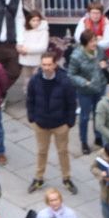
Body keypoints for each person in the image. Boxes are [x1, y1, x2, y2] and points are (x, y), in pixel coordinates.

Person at [26, 53, 77, 194]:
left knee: (63, 152)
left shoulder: (65, 81)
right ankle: (38, 178)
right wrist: (32, 118)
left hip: (60, 124)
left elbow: (71, 103)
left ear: (55, 65)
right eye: (44, 65)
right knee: (41, 152)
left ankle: (66, 178)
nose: (46, 68)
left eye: (49, 64)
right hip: (41, 124)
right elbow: (30, 99)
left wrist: (69, 123)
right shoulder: (35, 80)